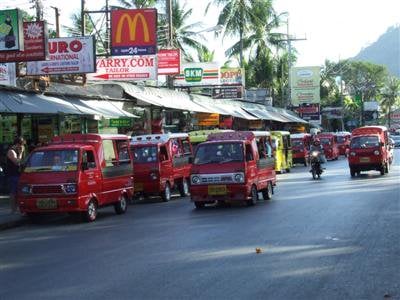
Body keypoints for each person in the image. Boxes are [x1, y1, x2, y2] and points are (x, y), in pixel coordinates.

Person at [5, 137, 25, 214]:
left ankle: (18, 208)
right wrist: (20, 153)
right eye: (21, 145)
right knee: (13, 192)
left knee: (18, 192)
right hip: (13, 175)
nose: (21, 147)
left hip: (18, 174)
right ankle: (13, 209)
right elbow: (17, 162)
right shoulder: (11, 151)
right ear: (17, 144)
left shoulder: (17, 150)